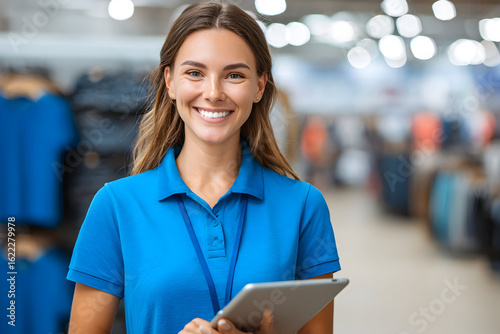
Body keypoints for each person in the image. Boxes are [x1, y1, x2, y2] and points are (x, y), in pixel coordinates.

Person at [66, 2, 341, 334]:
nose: (213, 93)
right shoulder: (116, 205)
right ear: (169, 81)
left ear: (259, 86)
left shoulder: (303, 206)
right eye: (195, 73)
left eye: (234, 75)